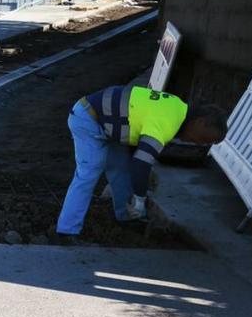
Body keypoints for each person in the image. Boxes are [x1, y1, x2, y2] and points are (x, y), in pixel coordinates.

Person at [56, 84, 227, 238]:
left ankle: (126, 217)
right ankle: (66, 231)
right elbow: (141, 164)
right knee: (89, 173)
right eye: (203, 138)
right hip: (88, 118)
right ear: (200, 122)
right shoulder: (167, 123)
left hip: (108, 123)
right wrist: (140, 199)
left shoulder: (178, 107)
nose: (199, 143)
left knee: (121, 170)